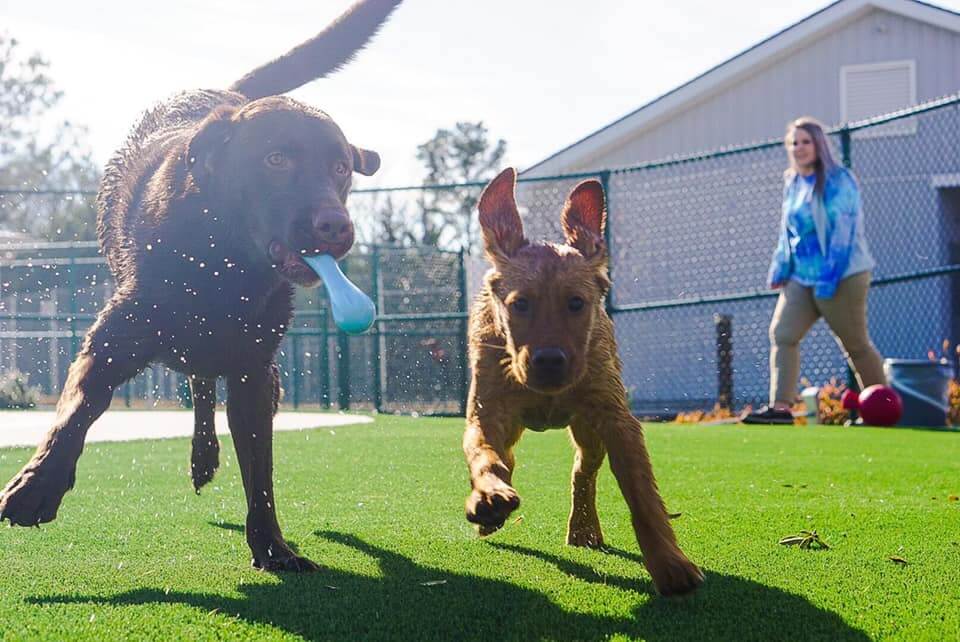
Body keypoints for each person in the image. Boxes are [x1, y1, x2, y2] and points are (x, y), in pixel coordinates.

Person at [742, 116, 885, 424]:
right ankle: (781, 408)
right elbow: (787, 231)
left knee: (855, 344)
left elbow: (843, 234)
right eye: (794, 142)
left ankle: (882, 408)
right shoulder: (792, 181)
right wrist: (779, 267)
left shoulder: (839, 180)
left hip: (843, 275)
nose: (799, 148)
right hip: (801, 277)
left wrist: (829, 279)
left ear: (819, 145)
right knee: (783, 334)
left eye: (806, 142)